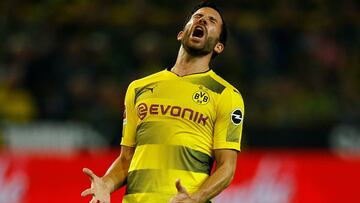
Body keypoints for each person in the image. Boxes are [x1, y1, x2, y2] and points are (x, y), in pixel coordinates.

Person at [81, 1, 245, 202]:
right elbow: (126, 159)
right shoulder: (138, 88)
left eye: (212, 21)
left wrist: (194, 198)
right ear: (181, 34)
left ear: (218, 46)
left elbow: (226, 167)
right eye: (198, 17)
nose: (203, 20)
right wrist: (106, 183)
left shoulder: (226, 94)